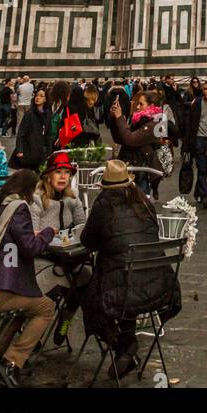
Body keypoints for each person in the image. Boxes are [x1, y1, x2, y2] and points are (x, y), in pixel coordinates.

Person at [79, 158, 179, 379]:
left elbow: (87, 241)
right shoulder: (142, 201)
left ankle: (125, 348)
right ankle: (127, 347)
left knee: (90, 301)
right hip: (160, 285)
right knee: (125, 280)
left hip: (123, 289)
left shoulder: (103, 205)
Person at [0, 169, 56, 386]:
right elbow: (30, 248)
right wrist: (48, 232)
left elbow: (1, 242)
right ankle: (12, 361)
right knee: (46, 307)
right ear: (27, 189)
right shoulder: (18, 208)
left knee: (22, 309)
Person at [30, 151, 88, 345]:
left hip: (70, 258)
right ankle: (33, 332)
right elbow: (32, 233)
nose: (63, 176)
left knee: (88, 277)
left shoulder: (73, 200)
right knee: (50, 286)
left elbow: (83, 228)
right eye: (58, 172)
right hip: (43, 259)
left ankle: (67, 317)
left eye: (67, 173)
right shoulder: (37, 200)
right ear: (48, 175)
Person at [110, 89, 173, 199]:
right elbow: (121, 138)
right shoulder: (139, 120)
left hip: (141, 171)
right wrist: (114, 118)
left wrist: (120, 118)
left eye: (141, 104)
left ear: (151, 106)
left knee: (139, 204)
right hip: (132, 167)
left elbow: (130, 139)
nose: (137, 107)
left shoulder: (154, 124)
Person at [183, 80, 207, 206]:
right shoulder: (197, 102)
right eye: (204, 89)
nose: (205, 91)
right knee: (202, 168)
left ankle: (198, 192)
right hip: (199, 138)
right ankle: (205, 196)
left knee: (205, 169)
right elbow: (190, 122)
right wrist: (187, 142)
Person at [13, 86, 52, 170]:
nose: (38, 98)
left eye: (41, 96)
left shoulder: (48, 114)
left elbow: (48, 133)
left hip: (41, 151)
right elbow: (21, 132)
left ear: (46, 99)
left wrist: (49, 152)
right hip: (29, 150)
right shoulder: (30, 113)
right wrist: (19, 149)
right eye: (37, 95)